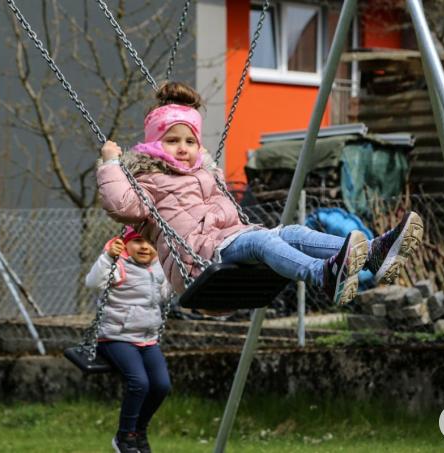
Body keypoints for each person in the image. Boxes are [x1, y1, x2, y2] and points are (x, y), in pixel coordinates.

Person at [96, 81, 424, 306]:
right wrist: (110, 164)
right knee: (261, 241)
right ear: (154, 144)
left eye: (190, 141)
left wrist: (208, 171)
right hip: (196, 262)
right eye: (172, 141)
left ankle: (375, 253)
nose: (183, 148)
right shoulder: (147, 179)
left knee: (291, 233)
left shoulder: (203, 174)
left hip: (225, 242)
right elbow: (122, 206)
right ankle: (323, 274)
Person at [85, 226, 172, 453]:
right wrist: (108, 257)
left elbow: (165, 294)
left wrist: (181, 274)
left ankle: (138, 431)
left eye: (150, 242)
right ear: (125, 244)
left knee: (161, 386)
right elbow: (93, 283)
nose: (145, 247)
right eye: (138, 241)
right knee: (139, 383)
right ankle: (124, 437)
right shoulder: (118, 264)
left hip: (147, 340)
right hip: (116, 338)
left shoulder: (158, 267)